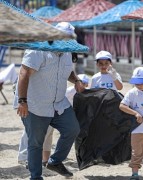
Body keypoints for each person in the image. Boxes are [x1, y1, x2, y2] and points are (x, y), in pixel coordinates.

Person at [14, 22, 85, 179]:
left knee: (72, 129)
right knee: (36, 143)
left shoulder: (66, 52)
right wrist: (22, 101)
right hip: (34, 104)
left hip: (58, 103)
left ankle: (55, 161)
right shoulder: (38, 50)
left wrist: (77, 80)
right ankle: (36, 176)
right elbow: (24, 73)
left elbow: (67, 71)